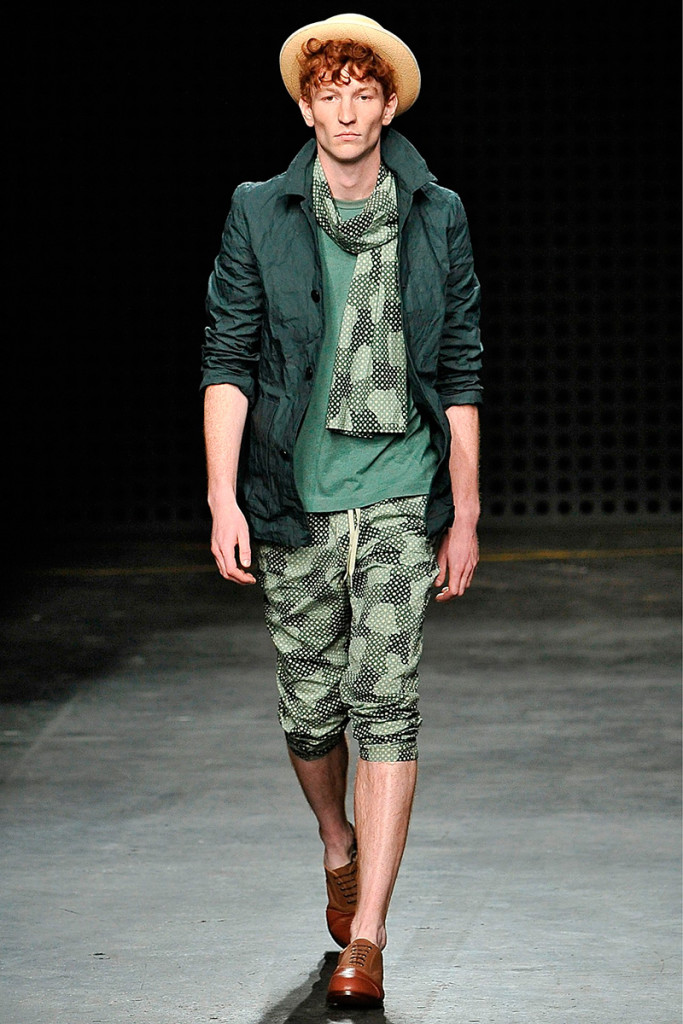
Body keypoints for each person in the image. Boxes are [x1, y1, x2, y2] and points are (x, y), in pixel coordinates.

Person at [201, 13, 482, 1009]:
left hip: (401, 488)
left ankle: (368, 936)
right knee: (310, 706)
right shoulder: (258, 211)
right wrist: (221, 495)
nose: (348, 111)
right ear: (306, 107)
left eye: (364, 93)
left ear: (389, 104)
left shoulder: (435, 213)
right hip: (295, 497)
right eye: (331, 94)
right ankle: (335, 843)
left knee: (386, 701)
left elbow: (458, 365)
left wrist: (464, 509)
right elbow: (228, 356)